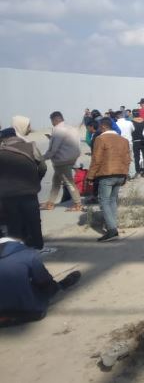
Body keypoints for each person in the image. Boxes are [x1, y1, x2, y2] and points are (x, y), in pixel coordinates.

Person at [0, 237, 81, 326]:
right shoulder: (28, 254)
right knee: (46, 286)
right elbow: (45, 281)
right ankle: (63, 285)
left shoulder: (26, 255)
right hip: (32, 313)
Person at [0, 121, 47, 251]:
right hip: (30, 192)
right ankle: (38, 247)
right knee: (34, 221)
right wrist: (36, 180)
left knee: (13, 223)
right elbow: (43, 167)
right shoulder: (31, 146)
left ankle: (18, 250)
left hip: (8, 196)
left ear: (3, 139)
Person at [87, 117, 131, 242]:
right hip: (120, 174)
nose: (99, 130)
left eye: (100, 127)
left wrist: (90, 176)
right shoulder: (123, 140)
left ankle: (112, 230)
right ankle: (112, 225)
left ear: (103, 127)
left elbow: (96, 159)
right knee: (112, 201)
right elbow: (127, 159)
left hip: (106, 174)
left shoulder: (100, 139)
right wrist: (125, 174)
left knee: (104, 201)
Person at [40, 111, 83, 212]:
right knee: (56, 181)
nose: (52, 123)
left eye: (52, 121)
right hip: (71, 159)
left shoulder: (57, 130)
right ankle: (50, 203)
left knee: (69, 182)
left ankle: (78, 204)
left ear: (55, 120)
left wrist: (42, 158)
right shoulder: (72, 128)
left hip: (62, 161)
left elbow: (53, 149)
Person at [115, 111, 136, 179]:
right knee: (131, 158)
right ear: (123, 115)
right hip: (129, 142)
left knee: (121, 159)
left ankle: (123, 174)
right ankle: (132, 174)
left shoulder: (115, 124)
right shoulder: (129, 122)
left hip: (119, 143)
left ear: (116, 117)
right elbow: (133, 130)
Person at [131, 109, 144, 177]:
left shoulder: (131, 122)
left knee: (137, 157)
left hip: (135, 141)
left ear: (133, 114)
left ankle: (138, 172)